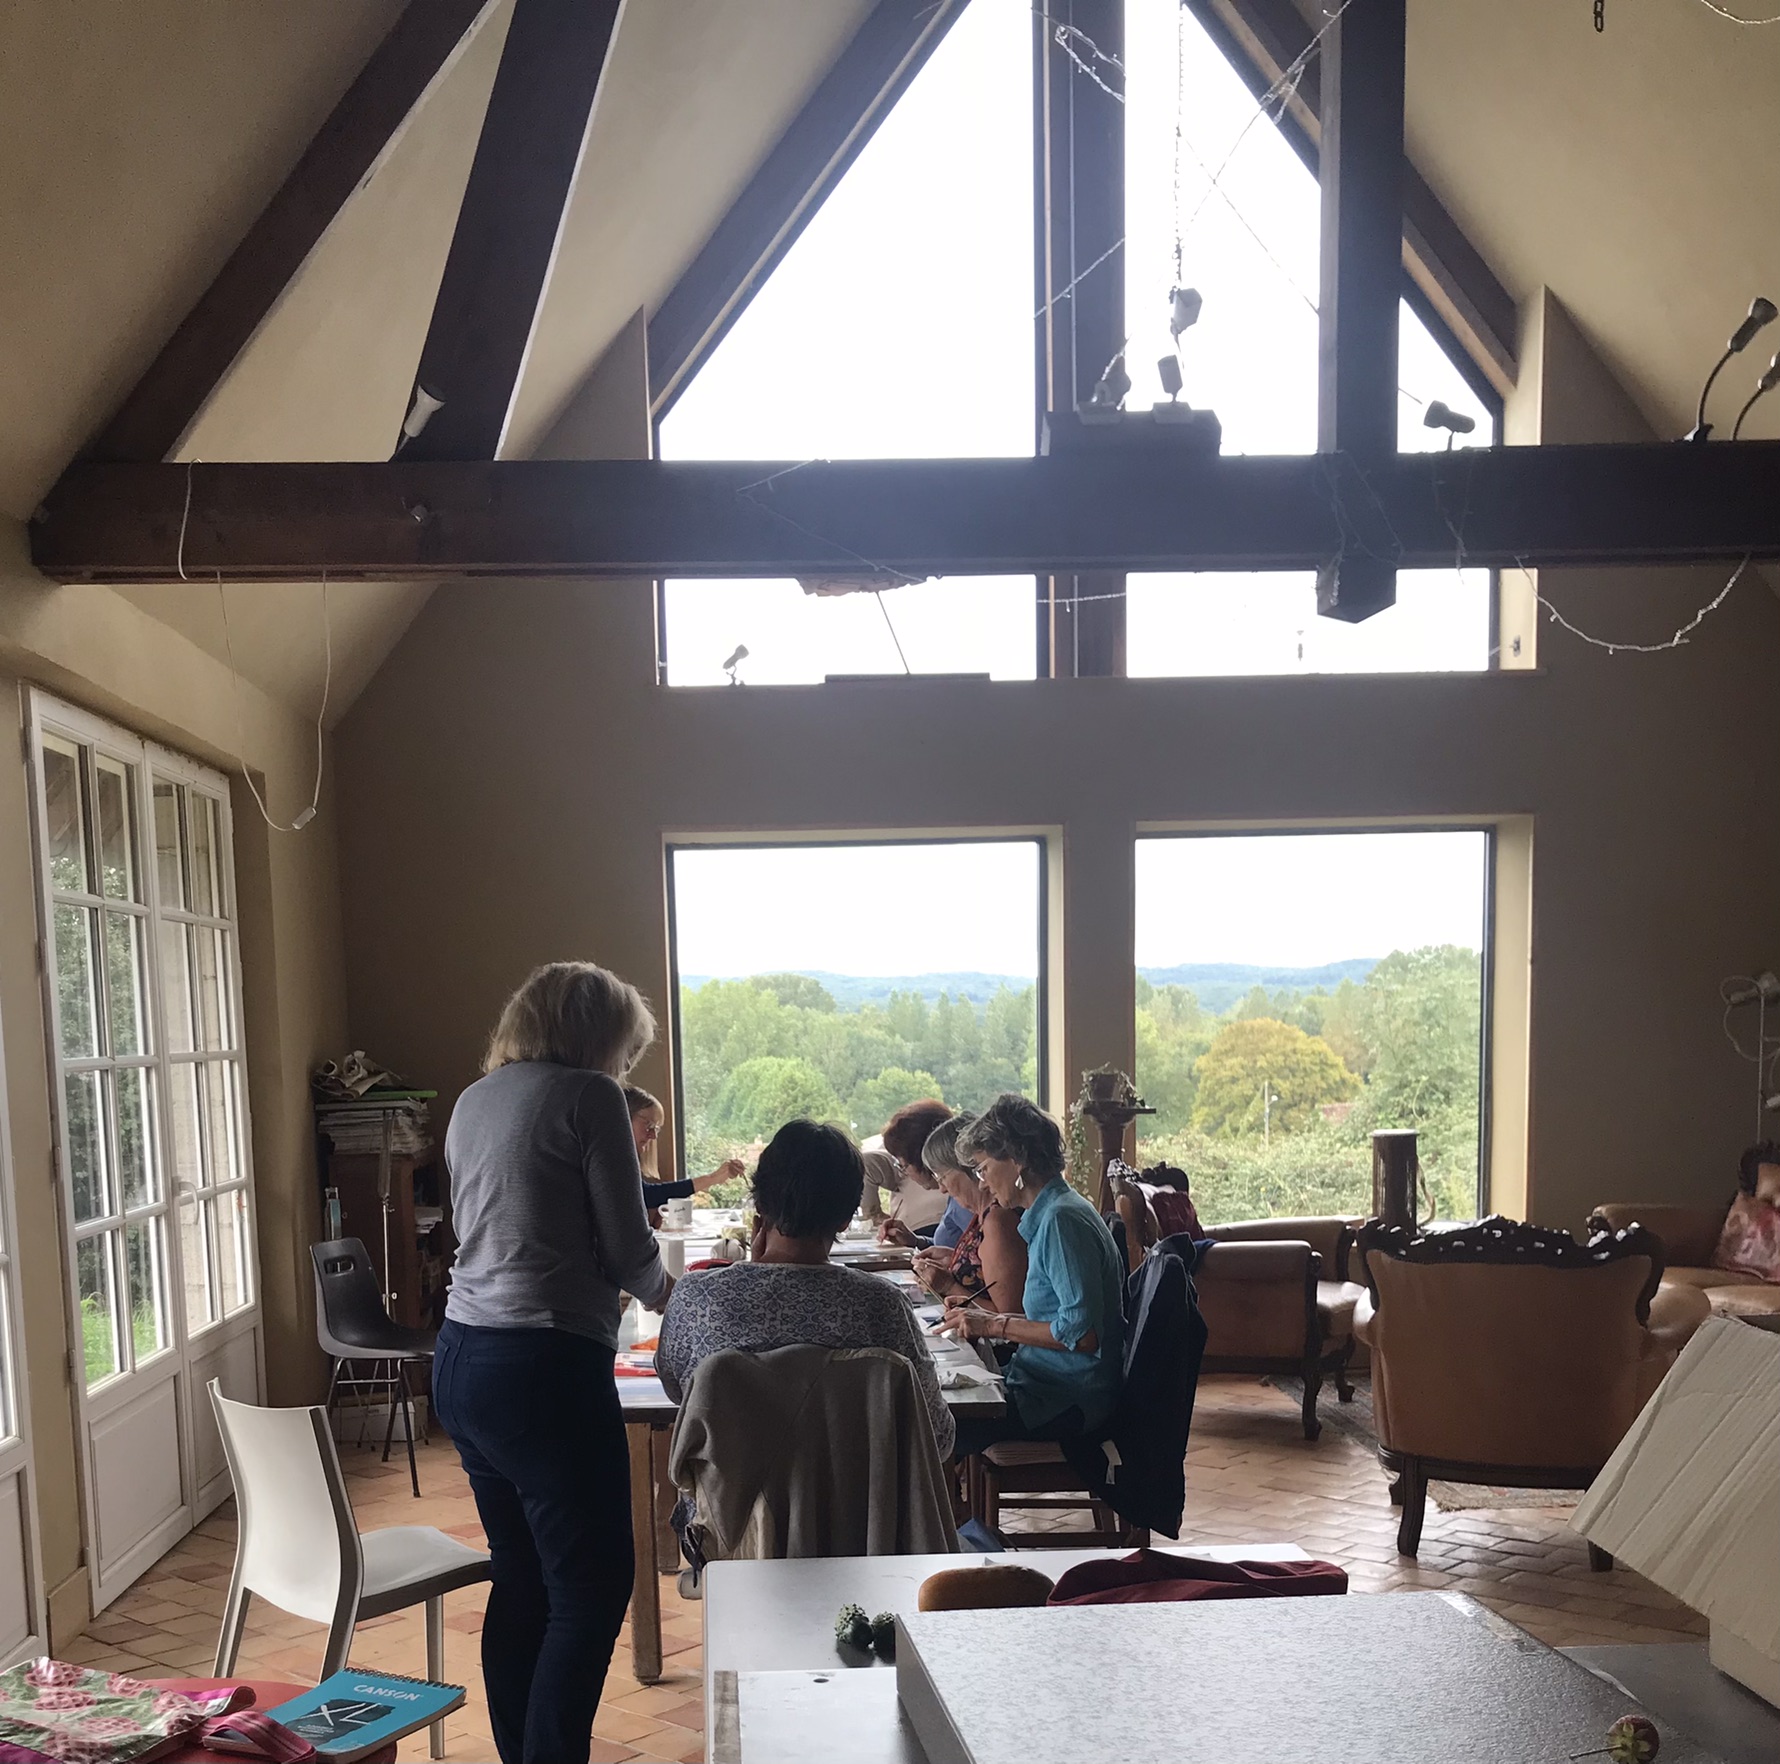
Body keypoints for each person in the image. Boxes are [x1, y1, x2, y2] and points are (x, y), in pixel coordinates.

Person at [434, 961, 670, 1764]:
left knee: (523, 1576)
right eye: (624, 1049)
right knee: (592, 1587)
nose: (623, 1067)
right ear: (598, 1035)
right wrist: (682, 1296)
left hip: (462, 1356)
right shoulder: (588, 1095)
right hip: (542, 1364)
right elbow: (628, 1249)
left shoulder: (475, 1098)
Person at [659, 1119, 954, 1460]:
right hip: (857, 1495)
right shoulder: (882, 1305)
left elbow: (680, 1393)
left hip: (730, 1493)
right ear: (846, 1218)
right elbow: (937, 1436)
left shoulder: (696, 1297)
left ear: (759, 1205)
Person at [937, 1094, 1126, 1461]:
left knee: (931, 1420)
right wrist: (983, 1317)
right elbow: (1057, 1318)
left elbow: (1082, 1335)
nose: (983, 1183)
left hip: (1066, 1399)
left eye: (984, 1168)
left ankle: (938, 1501)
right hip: (1045, 1383)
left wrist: (994, 1326)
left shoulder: (1061, 1220)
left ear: (1017, 1159)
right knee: (939, 1406)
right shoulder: (1054, 1210)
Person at [910, 1113, 1028, 1315]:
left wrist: (948, 1286)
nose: (942, 1188)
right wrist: (953, 1259)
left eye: (942, 1176)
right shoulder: (983, 1214)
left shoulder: (998, 1222)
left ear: (965, 1168)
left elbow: (1008, 1317)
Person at [623, 1084, 743, 1211]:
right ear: (624, 1119)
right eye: (648, 1125)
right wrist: (711, 1179)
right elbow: (647, 1195)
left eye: (656, 1129)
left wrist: (712, 1178)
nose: (653, 1136)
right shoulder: (613, 1160)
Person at [873, 1099, 955, 1245]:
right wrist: (915, 1241)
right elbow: (950, 1249)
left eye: (903, 1166)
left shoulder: (968, 1201)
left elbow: (969, 1257)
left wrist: (874, 1214)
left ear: (923, 1159)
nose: (904, 1173)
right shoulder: (955, 1198)